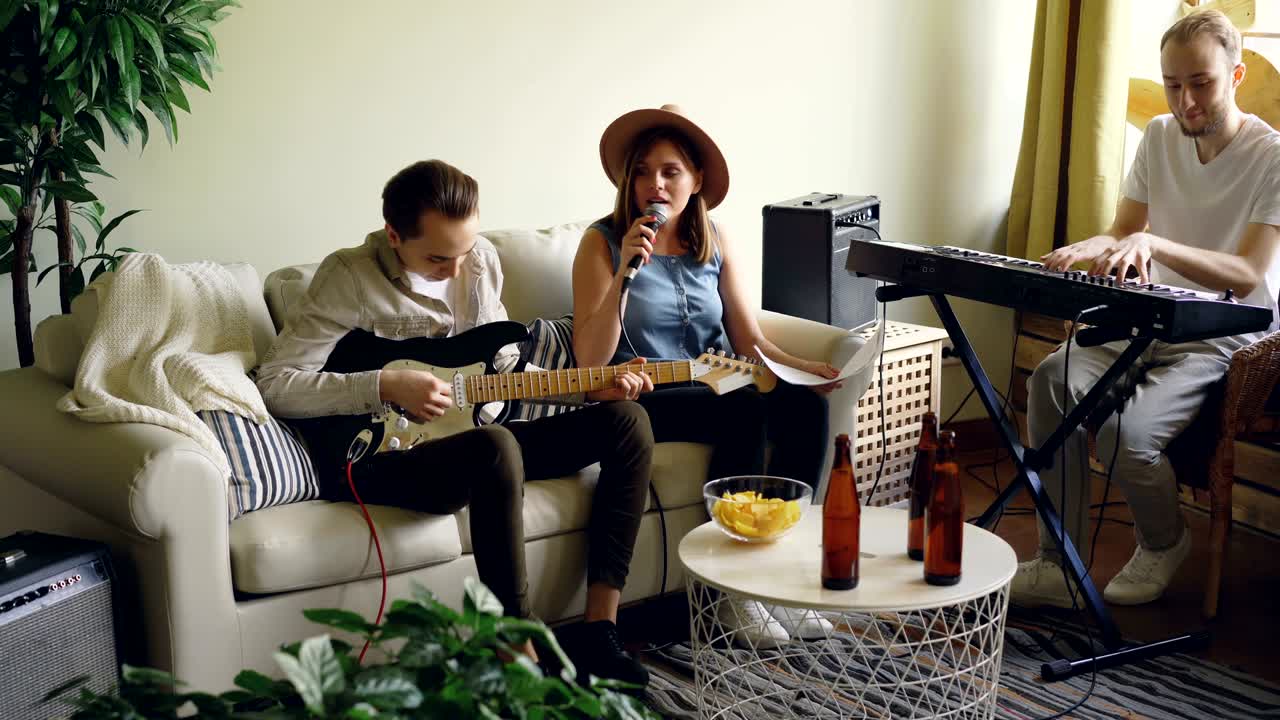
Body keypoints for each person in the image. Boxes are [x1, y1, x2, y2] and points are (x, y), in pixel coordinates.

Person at [255, 160, 657, 686]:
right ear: (394, 235)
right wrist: (383, 384)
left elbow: (500, 369)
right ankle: (516, 646)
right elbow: (276, 382)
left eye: (464, 252)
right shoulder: (348, 277)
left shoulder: (480, 261)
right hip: (381, 454)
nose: (455, 269)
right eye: (439, 258)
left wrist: (584, 390)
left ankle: (599, 627)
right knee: (495, 446)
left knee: (626, 420)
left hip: (475, 441)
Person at [1014, 10, 1280, 608]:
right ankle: (1058, 563)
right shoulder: (1160, 137)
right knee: (1050, 382)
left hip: (1225, 332)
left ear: (1236, 76)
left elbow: (1247, 274)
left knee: (1126, 435)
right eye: (1172, 84)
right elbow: (1124, 232)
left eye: (1201, 82)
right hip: (1150, 316)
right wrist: (1095, 249)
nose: (1185, 100)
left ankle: (1163, 542)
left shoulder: (1272, 157)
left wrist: (1154, 244)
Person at [572, 105, 841, 646]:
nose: (655, 184)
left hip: (720, 383)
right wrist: (626, 270)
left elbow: (751, 341)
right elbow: (588, 363)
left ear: (695, 182)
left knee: (807, 408)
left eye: (671, 172)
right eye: (644, 171)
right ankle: (730, 596)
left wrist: (802, 369)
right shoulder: (600, 243)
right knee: (743, 405)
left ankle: (779, 582)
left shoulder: (712, 239)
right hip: (649, 394)